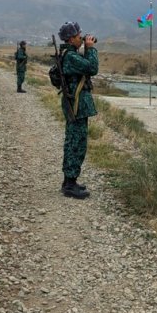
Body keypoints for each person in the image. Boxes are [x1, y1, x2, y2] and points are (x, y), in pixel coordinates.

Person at [58, 21, 98, 199]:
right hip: (76, 107)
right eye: (78, 36)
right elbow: (92, 68)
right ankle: (70, 184)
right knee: (76, 144)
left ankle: (69, 181)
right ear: (70, 38)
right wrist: (91, 49)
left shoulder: (70, 54)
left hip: (77, 105)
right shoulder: (71, 57)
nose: (81, 38)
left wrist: (86, 49)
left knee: (73, 142)